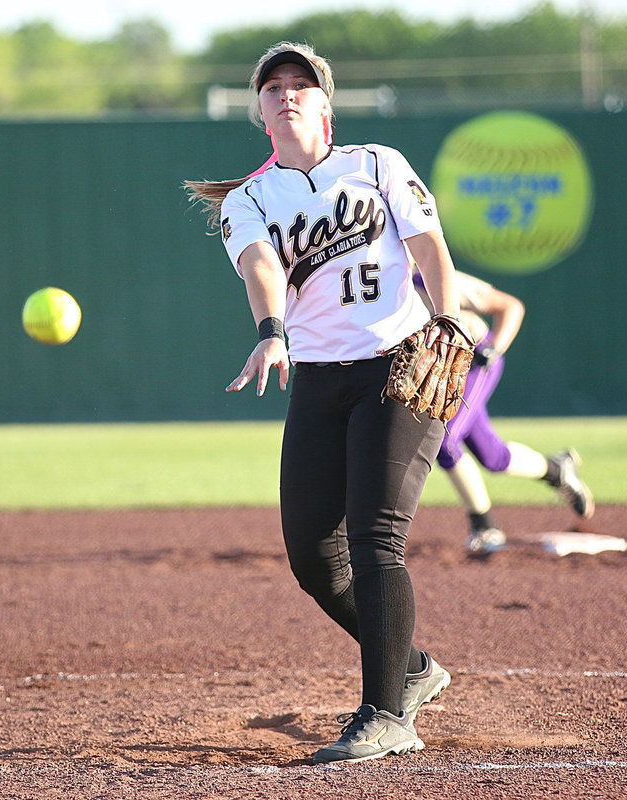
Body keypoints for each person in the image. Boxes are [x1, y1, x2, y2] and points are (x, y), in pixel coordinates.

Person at [186, 42, 462, 764]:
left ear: (325, 104)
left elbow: (429, 247)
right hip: (316, 375)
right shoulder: (250, 200)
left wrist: (449, 317)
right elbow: (260, 265)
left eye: (301, 84)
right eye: (272, 86)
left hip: (396, 367)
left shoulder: (376, 162)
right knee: (314, 559)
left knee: (376, 538)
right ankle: (411, 669)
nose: (286, 94)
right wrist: (271, 332)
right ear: (257, 110)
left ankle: (385, 714)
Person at [413, 269, 595, 554]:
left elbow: (510, 306)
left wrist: (494, 349)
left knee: (445, 440)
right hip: (441, 371)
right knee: (492, 456)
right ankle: (556, 469)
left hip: (473, 360)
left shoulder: (426, 274)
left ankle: (485, 527)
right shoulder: (375, 286)